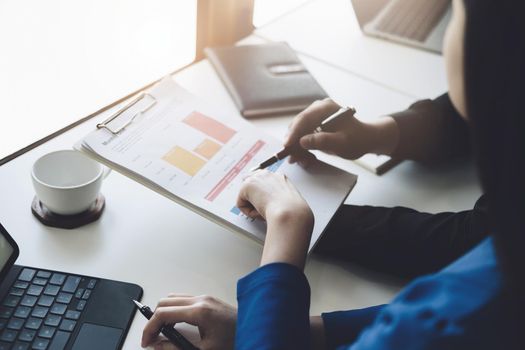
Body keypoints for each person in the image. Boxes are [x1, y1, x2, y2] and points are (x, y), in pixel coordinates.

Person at [142, 0, 525, 348]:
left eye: (456, 10)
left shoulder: (465, 310)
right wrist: (269, 323)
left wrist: (291, 226)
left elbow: (462, 261)